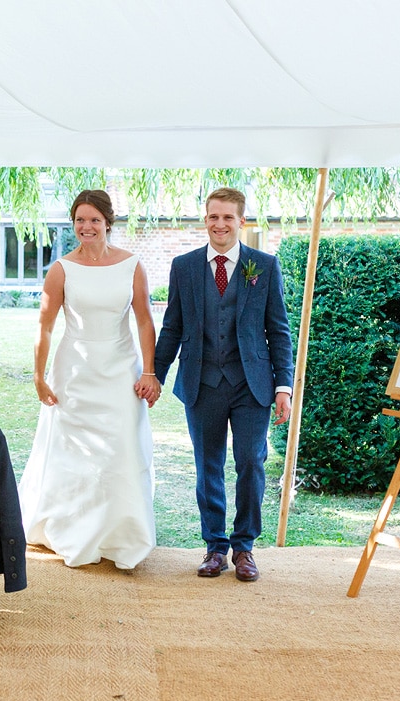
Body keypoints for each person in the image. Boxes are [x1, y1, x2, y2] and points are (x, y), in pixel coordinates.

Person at [154, 187, 294, 582]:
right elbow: (173, 327)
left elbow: (279, 331)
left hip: (252, 384)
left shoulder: (264, 265)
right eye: (214, 217)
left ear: (241, 222)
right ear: (206, 220)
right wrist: (156, 375)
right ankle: (215, 547)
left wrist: (283, 386)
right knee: (208, 466)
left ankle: (244, 546)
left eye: (228, 217)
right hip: (202, 382)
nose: (220, 224)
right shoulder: (184, 267)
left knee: (251, 462)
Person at [18, 190, 159, 570]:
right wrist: (39, 374)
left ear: (107, 223)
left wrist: (149, 370)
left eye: (94, 220)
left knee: (120, 449)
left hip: (119, 371)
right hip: (74, 373)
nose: (86, 227)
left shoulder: (132, 266)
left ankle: (122, 536)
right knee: (73, 454)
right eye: (80, 220)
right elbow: (45, 327)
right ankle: (73, 530)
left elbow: (145, 320)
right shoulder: (62, 268)